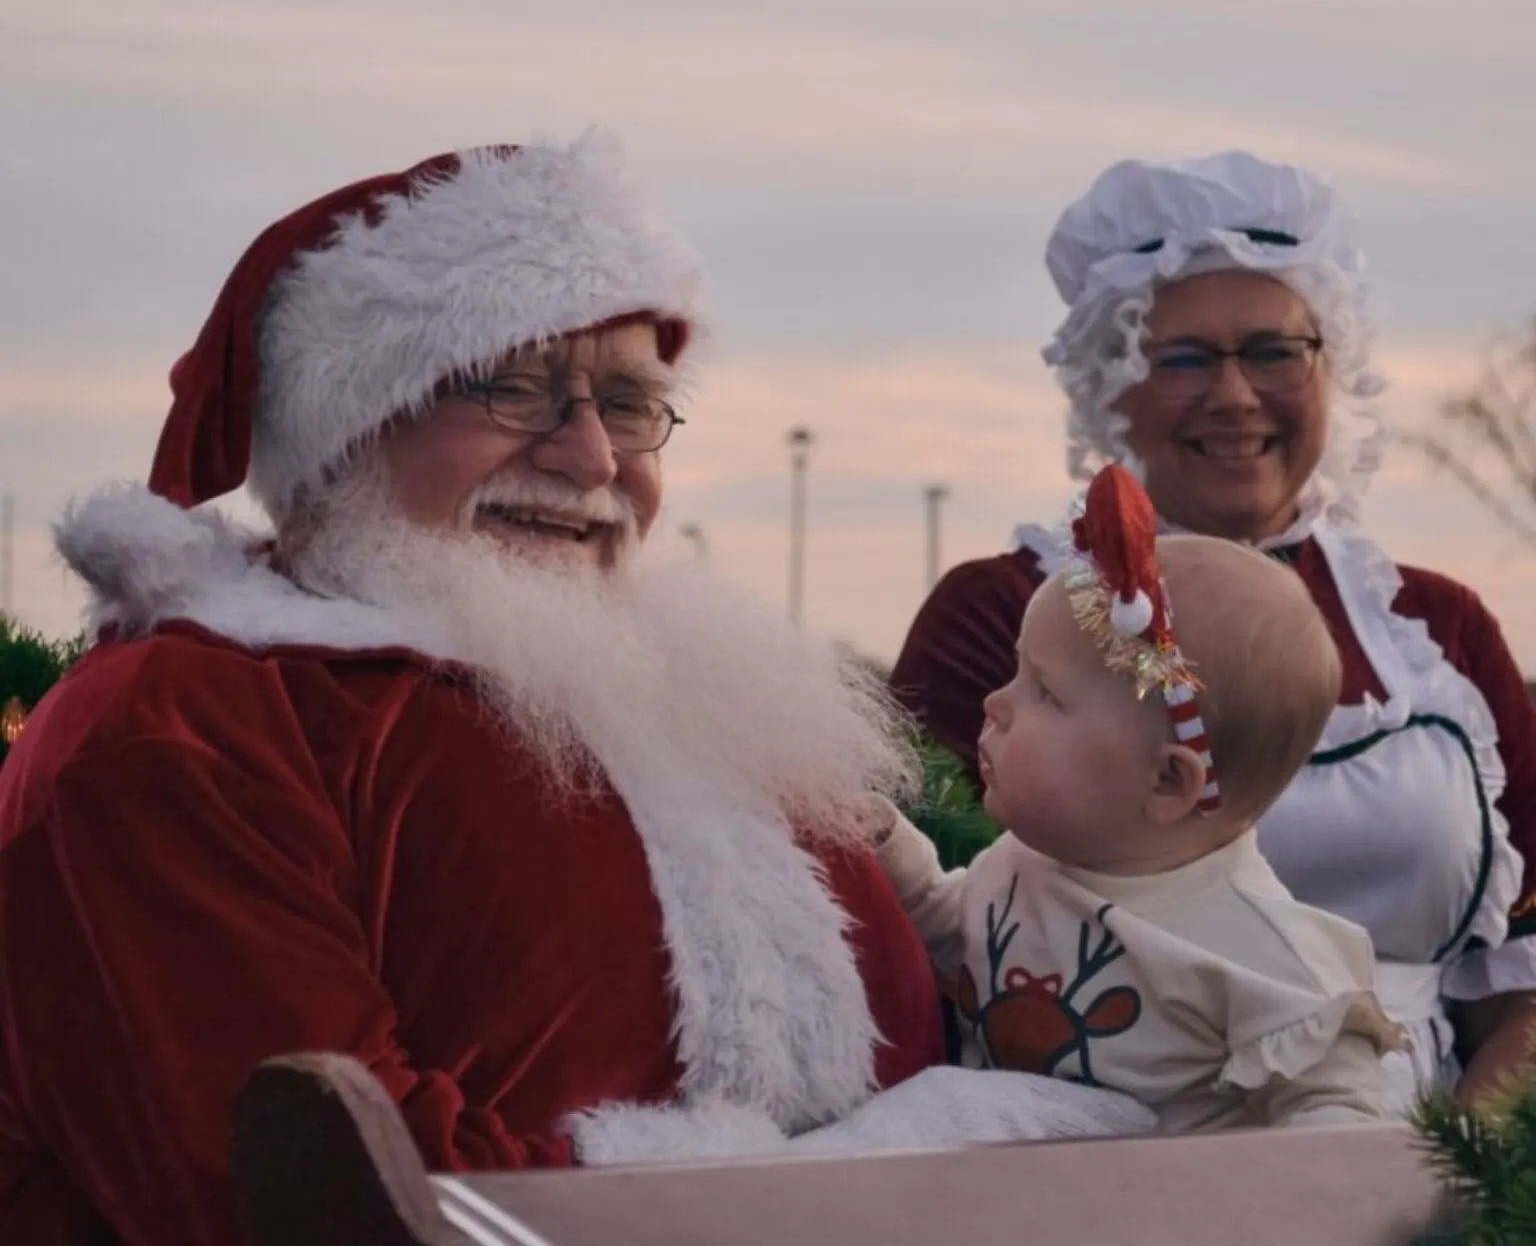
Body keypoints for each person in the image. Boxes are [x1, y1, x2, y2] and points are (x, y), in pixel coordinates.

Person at [0, 139, 1150, 1246]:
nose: (592, 458)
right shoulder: (182, 725)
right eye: (514, 388)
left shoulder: (713, 704)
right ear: (344, 433)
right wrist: (872, 1183)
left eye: (632, 404)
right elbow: (303, 1187)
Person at [891, 151, 1536, 1112]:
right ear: (1110, 383)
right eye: (1183, 358)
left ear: (1330, 366)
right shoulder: (1002, 618)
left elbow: (1523, 983)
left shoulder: (1436, 628)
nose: (1235, 395)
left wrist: (1456, 1183)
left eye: (1275, 351)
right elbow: (931, 936)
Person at [876, 464, 1403, 1132]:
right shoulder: (1025, 865)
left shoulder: (1263, 952)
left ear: (1166, 782)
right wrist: (893, 853)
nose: (995, 704)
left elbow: (1345, 1122)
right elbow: (963, 941)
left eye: (1044, 692)